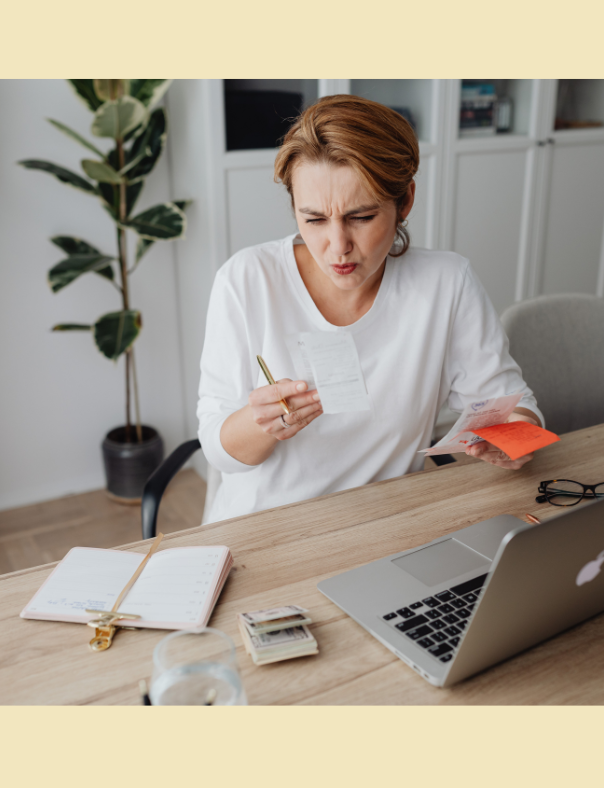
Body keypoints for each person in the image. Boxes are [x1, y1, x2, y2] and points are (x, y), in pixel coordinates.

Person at [197, 95, 543, 523]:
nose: (338, 246)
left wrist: (514, 440)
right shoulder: (247, 280)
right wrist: (261, 423)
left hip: (388, 527)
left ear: (405, 201)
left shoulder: (445, 283)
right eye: (315, 220)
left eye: (360, 217)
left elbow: (512, 403)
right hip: (268, 530)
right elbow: (218, 451)